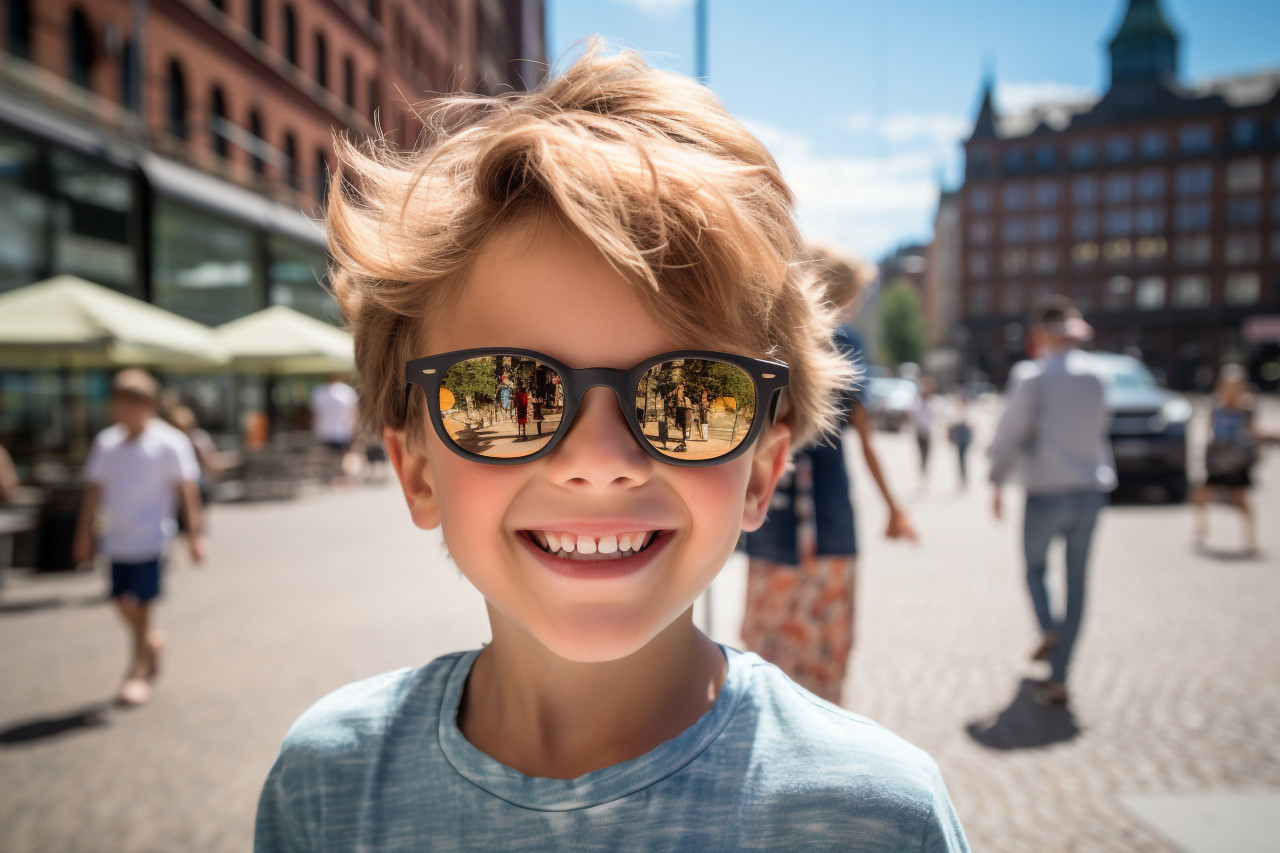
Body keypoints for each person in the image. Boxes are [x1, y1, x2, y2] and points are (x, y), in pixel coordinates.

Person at [254, 48, 968, 851]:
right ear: (417, 469)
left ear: (761, 473)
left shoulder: (873, 817)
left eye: (690, 395)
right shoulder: (327, 782)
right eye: (504, 392)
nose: (599, 457)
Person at [741, 244, 918, 704]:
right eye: (855, 293)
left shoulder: (766, 336)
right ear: (839, 291)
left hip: (770, 512)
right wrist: (895, 509)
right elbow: (865, 437)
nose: (857, 302)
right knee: (825, 641)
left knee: (766, 640)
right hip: (827, 514)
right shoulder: (845, 343)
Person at [988, 296, 1115, 706]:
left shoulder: (1032, 376)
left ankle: (1049, 630)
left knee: (1035, 570)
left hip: (1045, 492)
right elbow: (1101, 428)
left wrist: (996, 481)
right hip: (1091, 491)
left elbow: (1010, 433)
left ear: (1041, 334)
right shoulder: (1099, 376)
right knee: (1078, 585)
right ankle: (1059, 676)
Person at [72, 369, 207, 706]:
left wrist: (195, 536)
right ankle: (149, 642)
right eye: (117, 404)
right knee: (119, 599)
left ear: (148, 404)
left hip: (152, 539)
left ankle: (136, 671)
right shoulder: (106, 442)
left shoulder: (169, 443)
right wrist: (83, 535)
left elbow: (187, 492)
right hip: (117, 539)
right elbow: (93, 492)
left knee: (143, 604)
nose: (121, 412)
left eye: (128, 405)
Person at [1193, 364, 1260, 556]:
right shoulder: (1216, 403)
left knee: (1242, 499)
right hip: (1218, 457)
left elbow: (1251, 431)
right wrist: (1211, 447)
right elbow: (1208, 429)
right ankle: (1201, 528)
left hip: (1238, 459)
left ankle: (1250, 539)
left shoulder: (1247, 405)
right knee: (1203, 493)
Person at [309, 374, 358, 483]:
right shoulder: (346, 391)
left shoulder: (319, 392)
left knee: (327, 456)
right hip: (342, 430)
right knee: (345, 456)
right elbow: (353, 413)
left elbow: (315, 413)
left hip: (324, 430)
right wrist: (354, 429)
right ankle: (345, 478)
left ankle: (329, 477)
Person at [910, 377, 939, 489]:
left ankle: (925, 475)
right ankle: (921, 475)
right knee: (920, 455)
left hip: (929, 431)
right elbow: (912, 413)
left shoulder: (934, 401)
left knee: (927, 455)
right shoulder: (917, 400)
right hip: (919, 431)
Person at [948, 397, 974, 491]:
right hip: (959, 438)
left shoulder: (968, 413)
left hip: (965, 438)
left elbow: (973, 427)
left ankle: (964, 479)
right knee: (960, 459)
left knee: (963, 459)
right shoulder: (956, 414)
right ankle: (962, 479)